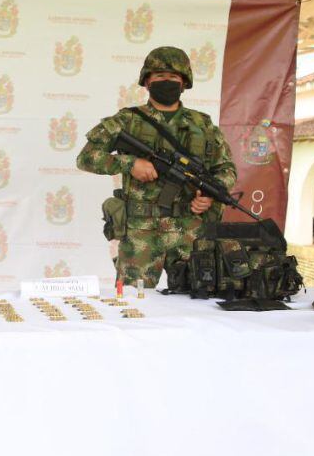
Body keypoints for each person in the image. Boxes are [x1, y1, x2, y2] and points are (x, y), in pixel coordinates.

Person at [76, 46, 237, 288]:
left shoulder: (202, 125)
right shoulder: (127, 120)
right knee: (133, 305)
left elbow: (226, 169)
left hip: (190, 230)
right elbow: (86, 158)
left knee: (195, 305)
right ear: (147, 81)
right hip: (141, 231)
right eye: (160, 76)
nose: (167, 81)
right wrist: (129, 163)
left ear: (184, 83)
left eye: (174, 78)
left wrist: (209, 197)